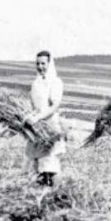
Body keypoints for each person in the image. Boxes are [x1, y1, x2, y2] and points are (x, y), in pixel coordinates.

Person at [24, 50, 67, 186]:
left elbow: (54, 106)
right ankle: (42, 195)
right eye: (37, 64)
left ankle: (56, 195)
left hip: (49, 127)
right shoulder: (35, 83)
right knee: (37, 164)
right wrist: (30, 118)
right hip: (37, 129)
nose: (40, 67)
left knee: (51, 164)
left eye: (43, 63)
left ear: (50, 64)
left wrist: (39, 118)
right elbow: (34, 105)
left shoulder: (55, 82)